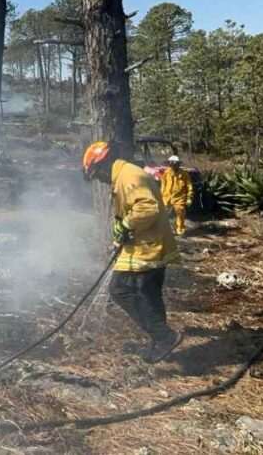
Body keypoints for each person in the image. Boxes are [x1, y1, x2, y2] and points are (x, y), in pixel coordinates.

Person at [82, 141, 183, 363]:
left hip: (147, 247)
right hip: (147, 244)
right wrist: (121, 236)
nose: (99, 180)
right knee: (149, 294)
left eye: (97, 175)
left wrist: (126, 226)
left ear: (102, 166)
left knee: (119, 289)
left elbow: (147, 209)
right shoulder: (125, 175)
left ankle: (165, 337)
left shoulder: (129, 177)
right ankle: (161, 342)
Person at [160, 155, 194, 235]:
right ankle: (164, 230)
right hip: (166, 197)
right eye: (171, 164)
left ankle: (180, 230)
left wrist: (189, 198)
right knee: (163, 214)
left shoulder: (184, 174)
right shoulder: (167, 172)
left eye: (175, 164)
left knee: (180, 213)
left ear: (178, 164)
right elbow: (163, 184)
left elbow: (189, 186)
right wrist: (161, 195)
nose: (173, 165)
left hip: (179, 198)